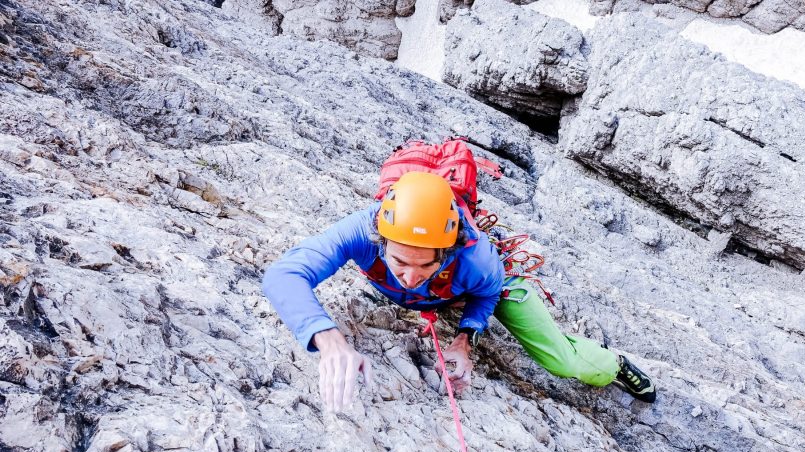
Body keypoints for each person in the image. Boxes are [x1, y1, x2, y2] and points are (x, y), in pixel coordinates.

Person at [262, 171, 656, 412]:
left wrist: (465, 338)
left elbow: (488, 292)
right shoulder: (362, 230)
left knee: (565, 363)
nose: (410, 276)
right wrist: (328, 339)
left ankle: (612, 364)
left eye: (425, 264)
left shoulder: (476, 260)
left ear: (448, 251)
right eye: (399, 262)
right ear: (380, 240)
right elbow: (284, 275)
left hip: (485, 287)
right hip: (441, 292)